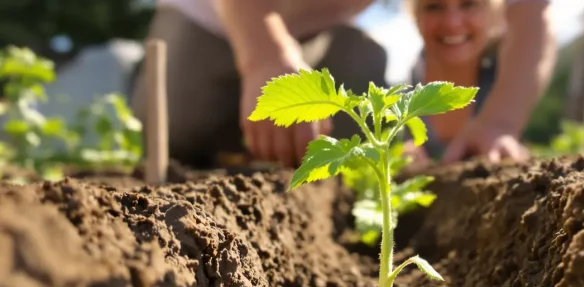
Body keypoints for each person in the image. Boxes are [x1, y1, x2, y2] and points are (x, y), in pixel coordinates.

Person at [130, 0, 555, 169]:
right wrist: (265, 57)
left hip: (322, 33)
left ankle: (302, 185)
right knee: (177, 130)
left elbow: (530, 10)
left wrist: (498, 122)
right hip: (215, 18)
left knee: (360, 87)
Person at [130, 0, 389, 169]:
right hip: (208, 19)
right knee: (172, 134)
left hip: (320, 32)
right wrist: (266, 58)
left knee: (360, 131)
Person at [402, 0, 557, 165]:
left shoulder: (517, 78)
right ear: (416, 17)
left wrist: (499, 125)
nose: (452, 23)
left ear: (492, 13)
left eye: (468, 5)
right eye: (435, 7)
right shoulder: (399, 94)